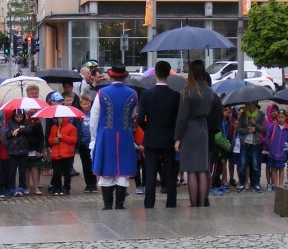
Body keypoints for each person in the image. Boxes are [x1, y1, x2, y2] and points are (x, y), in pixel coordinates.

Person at [91, 63, 139, 210]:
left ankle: (107, 205)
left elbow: (94, 117)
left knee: (106, 170)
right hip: (125, 135)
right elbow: (132, 115)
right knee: (122, 171)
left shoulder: (102, 93)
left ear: (110, 76)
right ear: (124, 76)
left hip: (106, 136)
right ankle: (119, 205)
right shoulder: (132, 93)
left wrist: (94, 138)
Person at [136, 60, 180, 209]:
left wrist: (149, 128)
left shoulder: (147, 95)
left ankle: (149, 204)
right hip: (169, 139)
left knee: (150, 174)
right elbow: (177, 119)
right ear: (169, 74)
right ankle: (171, 203)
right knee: (170, 174)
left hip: (151, 139)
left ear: (155, 73)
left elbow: (140, 119)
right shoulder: (175, 95)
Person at [173, 60, 214, 208]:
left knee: (191, 169)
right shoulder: (209, 91)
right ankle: (202, 202)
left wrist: (177, 138)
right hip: (203, 129)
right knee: (202, 169)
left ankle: (193, 203)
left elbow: (182, 117)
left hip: (190, 130)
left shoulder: (187, 91)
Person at [236, 101, 266, 192]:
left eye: (247, 105)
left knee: (255, 165)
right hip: (245, 143)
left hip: (256, 143)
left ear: (252, 105)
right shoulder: (243, 115)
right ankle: (243, 183)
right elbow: (239, 129)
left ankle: (256, 183)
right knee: (243, 164)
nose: (245, 106)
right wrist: (248, 130)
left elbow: (263, 129)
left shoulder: (261, 115)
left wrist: (255, 124)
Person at [48, 113, 78, 195]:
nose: (59, 119)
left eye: (61, 118)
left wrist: (62, 137)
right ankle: (58, 187)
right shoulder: (54, 128)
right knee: (57, 172)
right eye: (58, 118)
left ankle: (66, 188)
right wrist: (54, 140)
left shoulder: (71, 128)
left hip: (67, 154)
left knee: (66, 172)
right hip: (56, 154)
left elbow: (73, 140)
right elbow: (50, 140)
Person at [263, 108, 288, 189]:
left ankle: (281, 185)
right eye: (279, 117)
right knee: (274, 169)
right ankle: (276, 185)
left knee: (281, 169)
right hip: (273, 152)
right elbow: (267, 138)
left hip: (282, 153)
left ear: (285, 117)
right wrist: (270, 146)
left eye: (282, 117)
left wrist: (287, 149)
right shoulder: (272, 126)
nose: (280, 119)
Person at [3, 108, 29, 196]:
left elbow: (29, 131)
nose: (19, 118)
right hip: (13, 151)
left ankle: (22, 187)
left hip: (23, 151)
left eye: (21, 117)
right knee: (12, 171)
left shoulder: (25, 123)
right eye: (17, 117)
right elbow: (7, 134)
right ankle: (12, 188)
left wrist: (21, 129)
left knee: (22, 172)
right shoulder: (10, 124)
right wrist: (13, 131)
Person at [77, 94, 96, 193]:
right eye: (84, 104)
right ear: (81, 104)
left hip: (92, 142)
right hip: (83, 143)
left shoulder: (93, 114)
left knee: (93, 163)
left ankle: (94, 183)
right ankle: (88, 183)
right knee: (85, 164)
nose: (87, 106)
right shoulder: (78, 114)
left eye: (88, 104)